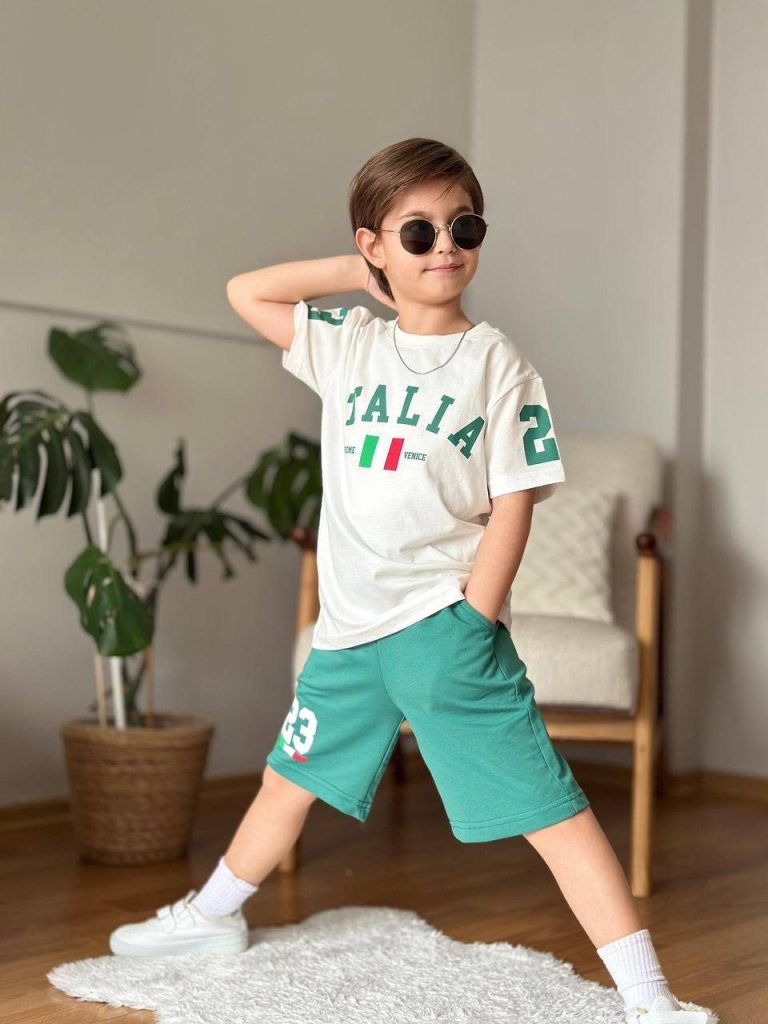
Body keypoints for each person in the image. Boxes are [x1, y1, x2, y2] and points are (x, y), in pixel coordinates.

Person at [108, 138, 717, 1024]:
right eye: (418, 231)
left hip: (442, 626)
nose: (445, 247)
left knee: (549, 809)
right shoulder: (347, 345)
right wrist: (357, 275)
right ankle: (210, 918)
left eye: (463, 227)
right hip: (348, 633)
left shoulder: (497, 364)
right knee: (288, 778)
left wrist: (474, 619)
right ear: (376, 245)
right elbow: (248, 292)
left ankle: (650, 997)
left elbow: (514, 503)